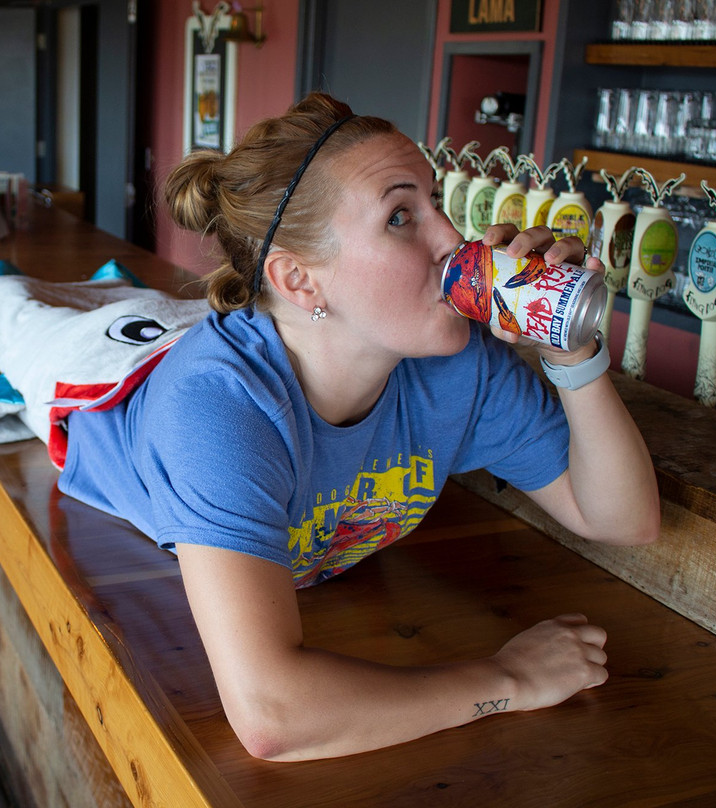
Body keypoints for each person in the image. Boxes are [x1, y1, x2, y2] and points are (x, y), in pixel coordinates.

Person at [56, 92, 660, 761]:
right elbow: (272, 716)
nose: (452, 242)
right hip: (102, 399)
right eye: (401, 217)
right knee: (23, 312)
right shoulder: (216, 407)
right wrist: (508, 680)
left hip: (223, 346)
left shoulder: (459, 368)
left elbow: (621, 520)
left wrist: (570, 352)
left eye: (437, 204)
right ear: (300, 280)